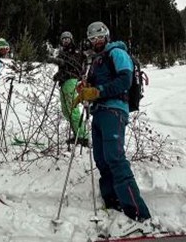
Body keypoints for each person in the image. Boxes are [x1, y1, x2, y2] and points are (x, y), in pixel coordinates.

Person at [72, 21, 152, 225]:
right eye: (92, 39)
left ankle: (138, 213)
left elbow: (124, 81)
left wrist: (97, 91)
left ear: (106, 36)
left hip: (114, 110)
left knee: (115, 158)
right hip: (99, 112)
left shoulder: (117, 53)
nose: (96, 42)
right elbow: (96, 85)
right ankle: (113, 201)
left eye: (99, 37)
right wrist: (85, 90)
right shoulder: (97, 60)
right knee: (101, 159)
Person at [47, 31, 89, 147]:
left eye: (68, 39)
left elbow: (71, 64)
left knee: (73, 109)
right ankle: (77, 134)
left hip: (72, 81)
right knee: (66, 111)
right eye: (63, 39)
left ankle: (83, 137)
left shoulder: (75, 51)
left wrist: (56, 61)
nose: (66, 41)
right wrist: (58, 75)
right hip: (64, 82)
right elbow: (63, 67)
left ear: (71, 40)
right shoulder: (62, 52)